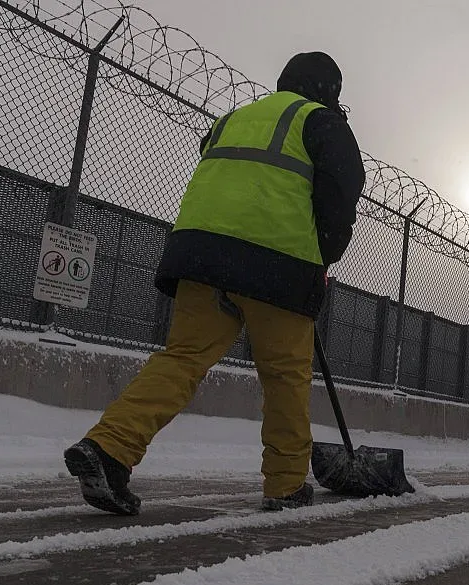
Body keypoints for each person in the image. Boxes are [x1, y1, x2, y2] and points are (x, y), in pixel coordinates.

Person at [63, 51, 365, 515]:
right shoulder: (322, 122)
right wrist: (321, 259)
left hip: (200, 256)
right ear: (330, 93)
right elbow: (341, 198)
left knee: (182, 359)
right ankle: (285, 487)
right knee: (285, 377)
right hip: (277, 265)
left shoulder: (234, 118)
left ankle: (109, 448)